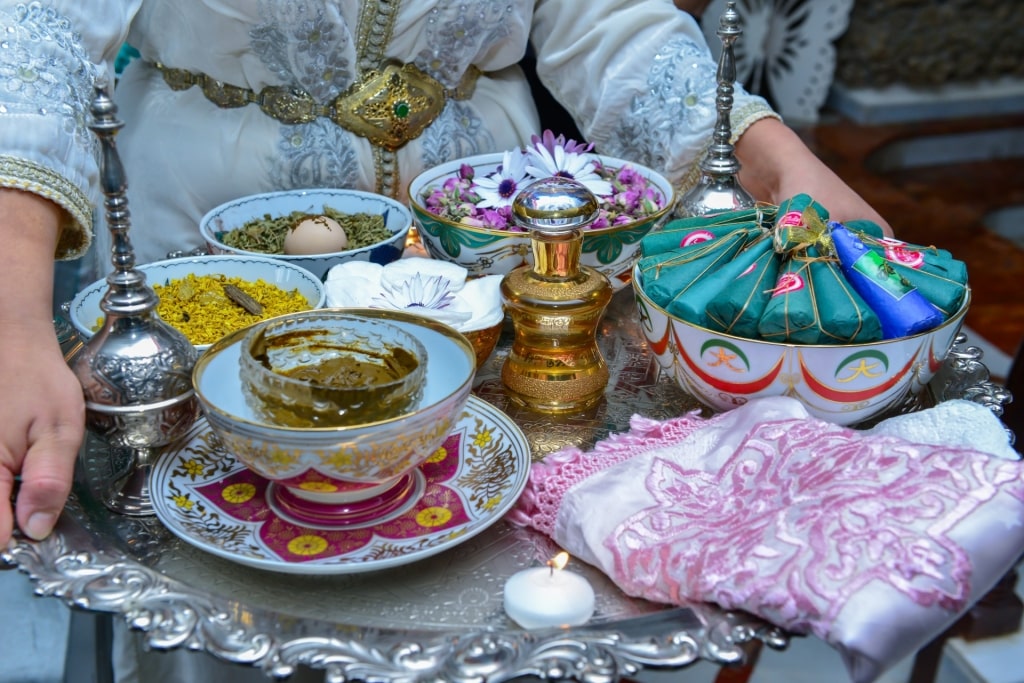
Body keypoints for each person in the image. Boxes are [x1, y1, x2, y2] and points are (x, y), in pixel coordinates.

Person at [0, 0, 890, 660]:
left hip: (492, 254)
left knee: (495, 587)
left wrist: (772, 157)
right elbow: (35, 29)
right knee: (233, 599)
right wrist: (10, 317)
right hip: (220, 250)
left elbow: (609, 20)